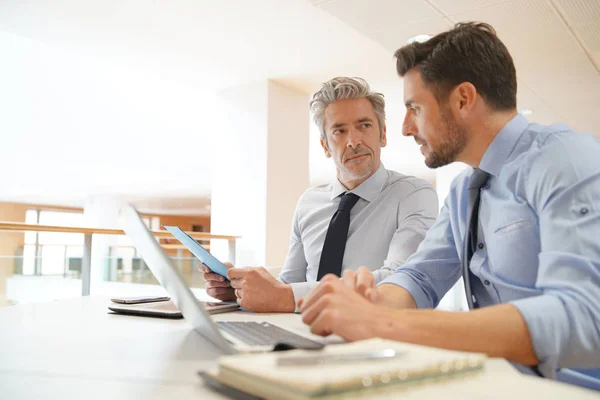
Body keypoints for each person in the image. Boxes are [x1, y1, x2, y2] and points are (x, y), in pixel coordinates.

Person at [299, 23, 600, 389]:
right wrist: (371, 300)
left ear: (463, 99)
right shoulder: (463, 192)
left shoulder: (565, 160)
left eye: (414, 108)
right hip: (496, 383)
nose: (406, 127)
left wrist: (384, 324)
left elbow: (586, 318)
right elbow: (420, 278)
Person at [202, 77, 439, 313]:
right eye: (339, 131)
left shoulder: (413, 195)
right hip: (302, 331)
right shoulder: (309, 203)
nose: (353, 141)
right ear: (325, 146)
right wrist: (240, 292)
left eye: (364, 126)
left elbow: (399, 281)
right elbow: (289, 285)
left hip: (375, 335)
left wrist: (284, 296)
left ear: (383, 134)